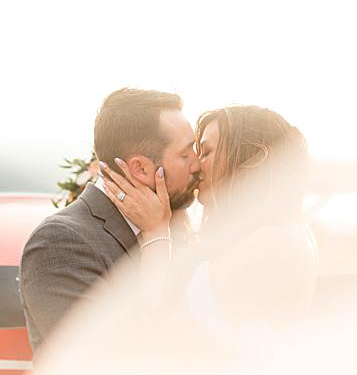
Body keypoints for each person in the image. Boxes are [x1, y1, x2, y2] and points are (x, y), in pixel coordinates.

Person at [99, 105, 318, 327]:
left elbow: (159, 322)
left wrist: (156, 232)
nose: (195, 165)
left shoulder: (272, 242)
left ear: (244, 156)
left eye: (206, 152)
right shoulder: (267, 231)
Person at [19, 88, 201, 351]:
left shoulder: (172, 225)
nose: (197, 165)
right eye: (185, 155)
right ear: (140, 169)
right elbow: (103, 365)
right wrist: (158, 239)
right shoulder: (61, 242)